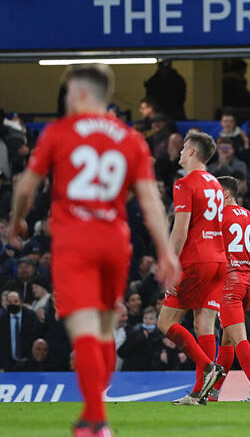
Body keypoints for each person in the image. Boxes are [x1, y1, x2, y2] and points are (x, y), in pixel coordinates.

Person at [8, 64, 181, 435]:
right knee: (104, 328)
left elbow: (25, 187)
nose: (66, 101)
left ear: (83, 94)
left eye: (69, 93)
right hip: (115, 243)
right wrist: (166, 252)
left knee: (84, 327)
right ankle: (95, 410)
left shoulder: (60, 132)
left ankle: (96, 419)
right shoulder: (130, 137)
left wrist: (17, 220)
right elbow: (150, 200)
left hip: (75, 240)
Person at [158, 131, 227, 406]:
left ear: (192, 153)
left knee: (166, 322)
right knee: (204, 325)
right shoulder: (216, 185)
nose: (179, 151)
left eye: (184, 147)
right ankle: (200, 394)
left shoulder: (184, 183)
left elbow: (180, 230)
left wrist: (170, 266)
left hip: (196, 261)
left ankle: (209, 367)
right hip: (218, 259)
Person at [206, 176, 250, 402]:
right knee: (227, 340)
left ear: (225, 194)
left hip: (228, 285)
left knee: (239, 338)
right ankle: (212, 392)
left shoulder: (218, 218)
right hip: (248, 284)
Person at [0, 291, 39, 371]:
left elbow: (36, 339)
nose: (12, 304)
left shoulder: (32, 317)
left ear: (21, 302)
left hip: (29, 365)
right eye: (9, 302)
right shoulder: (2, 319)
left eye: (15, 301)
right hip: (7, 366)